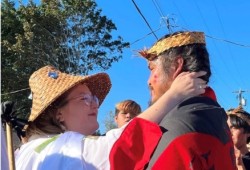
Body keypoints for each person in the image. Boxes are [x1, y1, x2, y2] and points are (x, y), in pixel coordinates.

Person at [14, 65, 205, 170]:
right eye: (84, 98)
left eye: (94, 98)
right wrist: (174, 95)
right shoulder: (65, 147)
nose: (95, 104)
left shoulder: (27, 151)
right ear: (58, 113)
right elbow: (120, 146)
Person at [111, 31, 236, 170]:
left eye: (152, 69)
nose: (149, 81)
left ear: (176, 66)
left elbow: (120, 161)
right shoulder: (215, 116)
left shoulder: (178, 129)